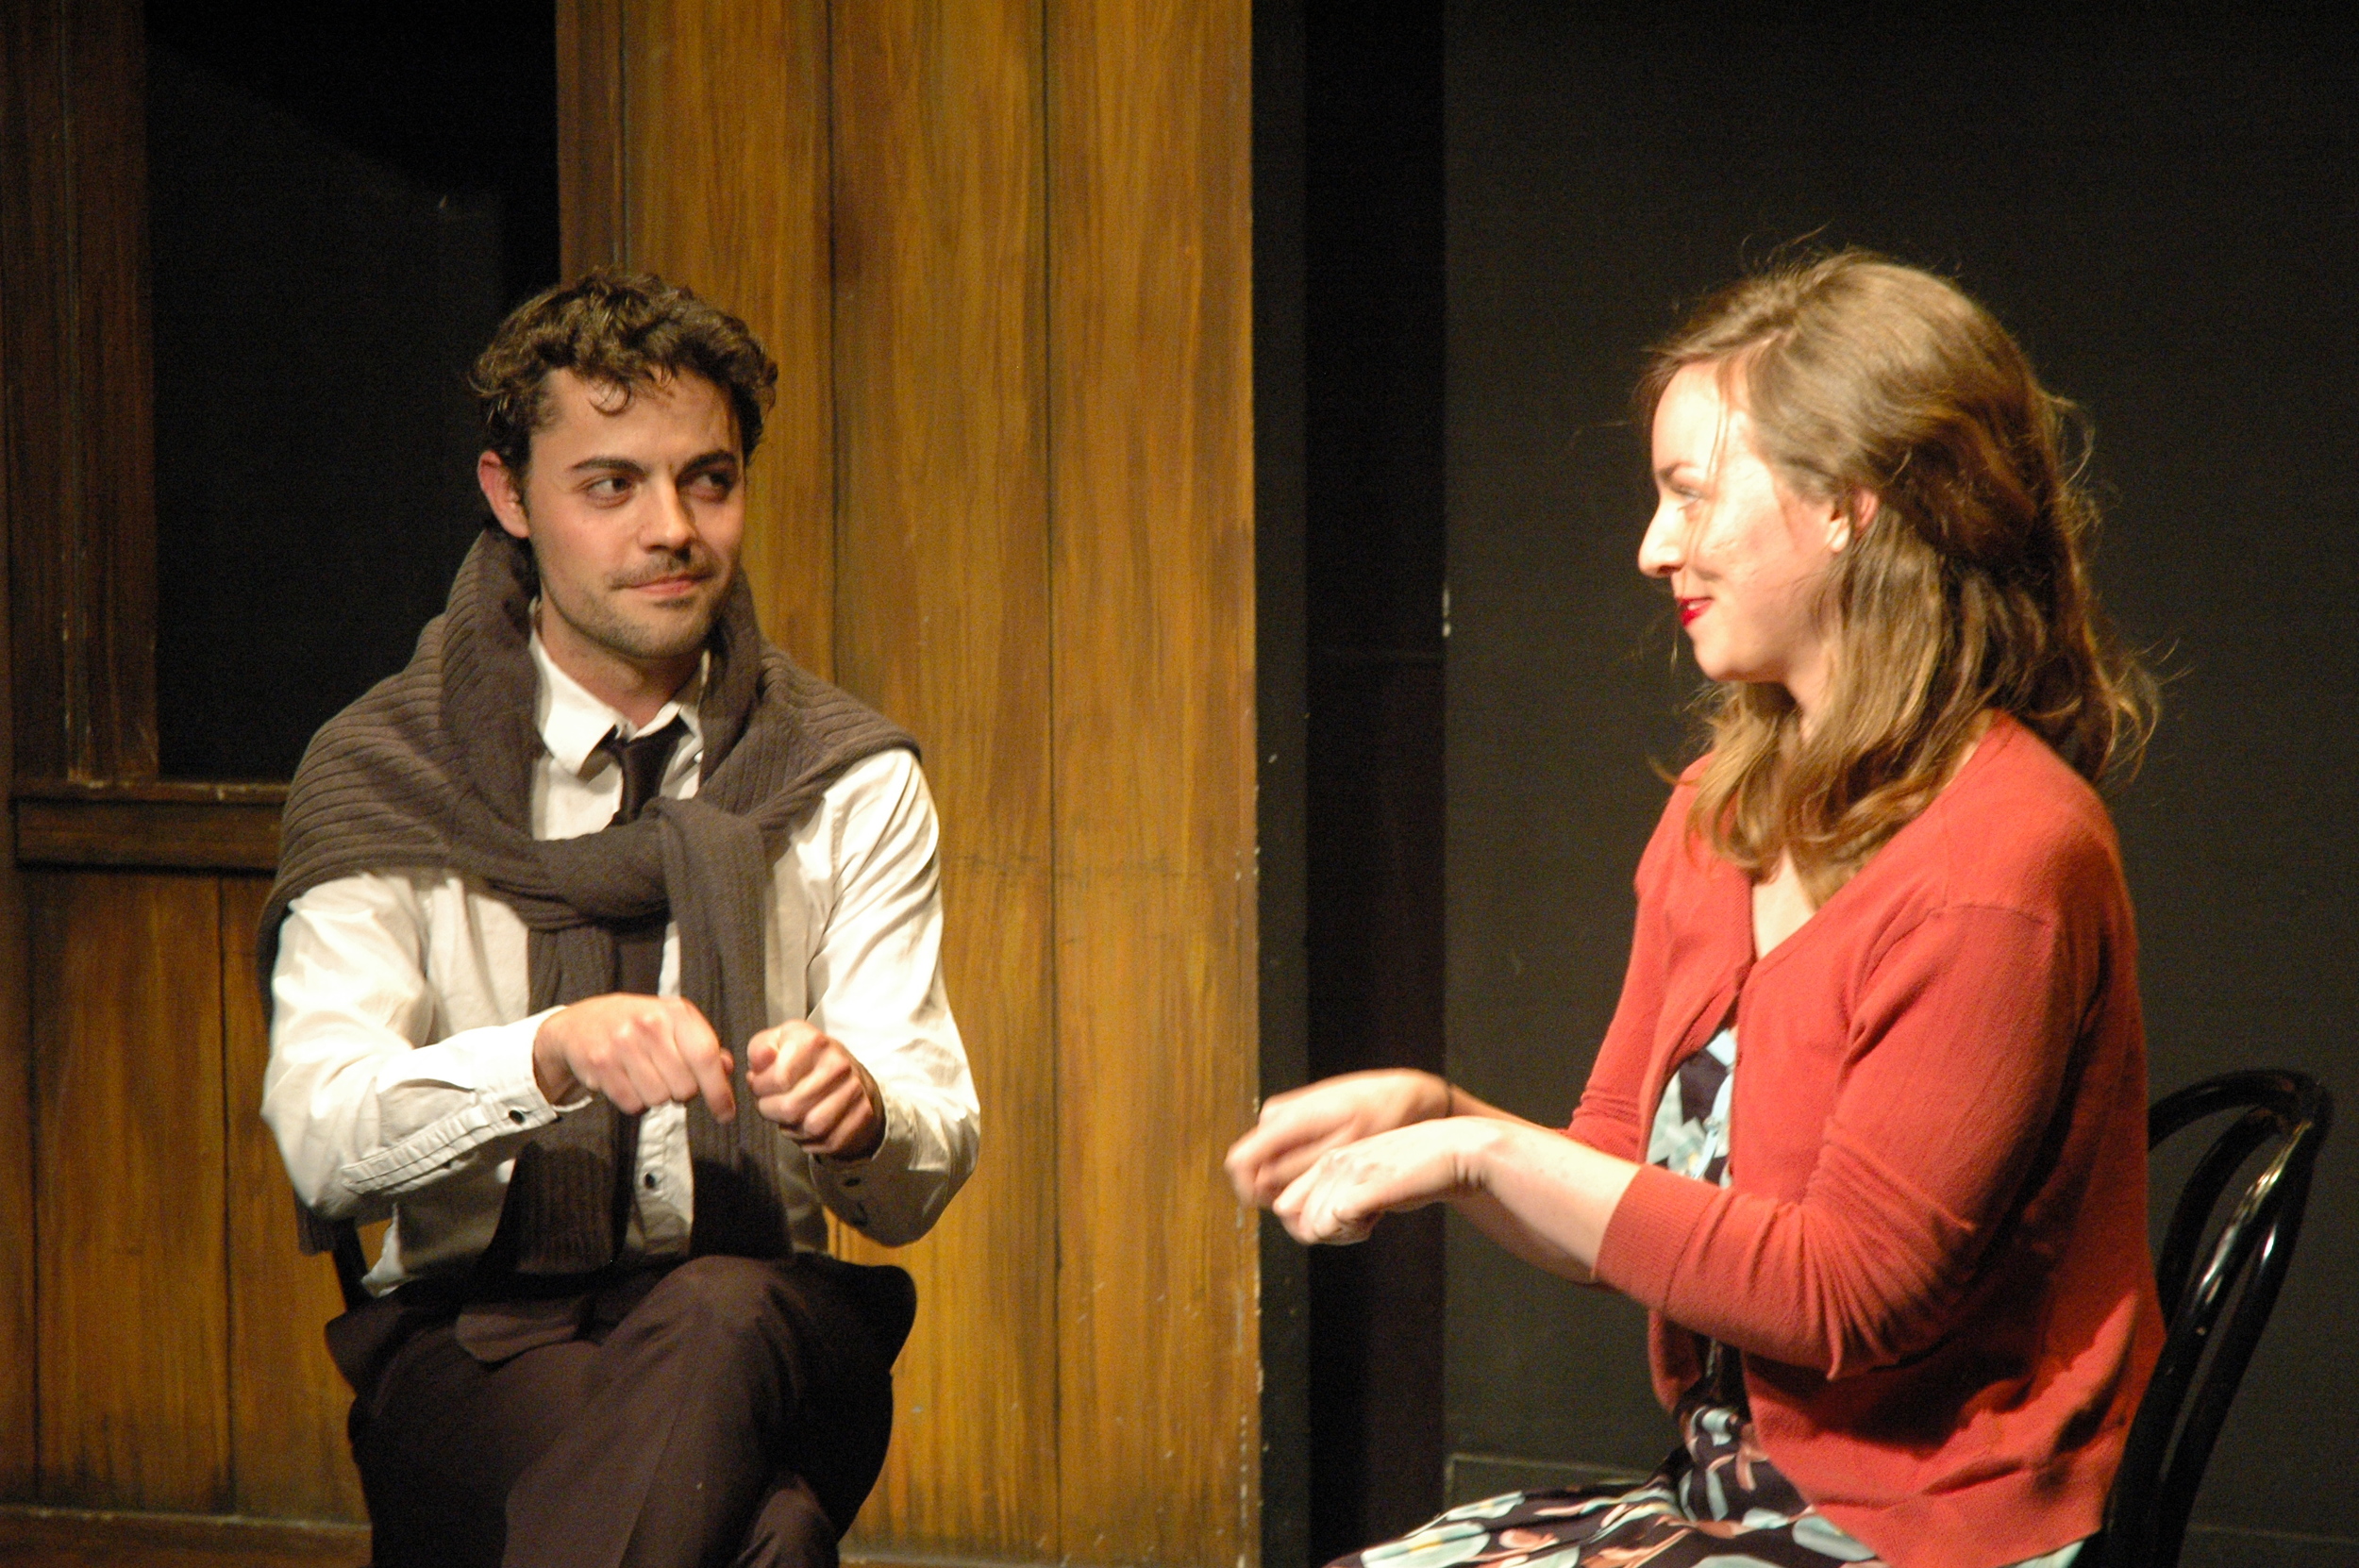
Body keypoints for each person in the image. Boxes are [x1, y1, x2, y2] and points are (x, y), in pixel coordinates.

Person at [1227, 253, 2163, 1568]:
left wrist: (1480, 1155)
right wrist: (1440, 1118)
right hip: (1731, 1493)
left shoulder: (2005, 856)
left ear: (1847, 503)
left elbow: (1845, 1294)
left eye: (1691, 493)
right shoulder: (1719, 814)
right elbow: (1619, 1176)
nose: (1654, 544)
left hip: (1924, 1532)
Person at [260, 271, 979, 1568]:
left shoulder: (847, 776)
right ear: (508, 496)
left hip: (772, 1318)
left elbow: (925, 1164)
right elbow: (322, 1136)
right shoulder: (385, 770)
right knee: (769, 1535)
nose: (674, 529)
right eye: (612, 485)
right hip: (474, 1332)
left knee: (715, 1312)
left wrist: (867, 1108)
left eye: (709, 479)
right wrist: (544, 1054)